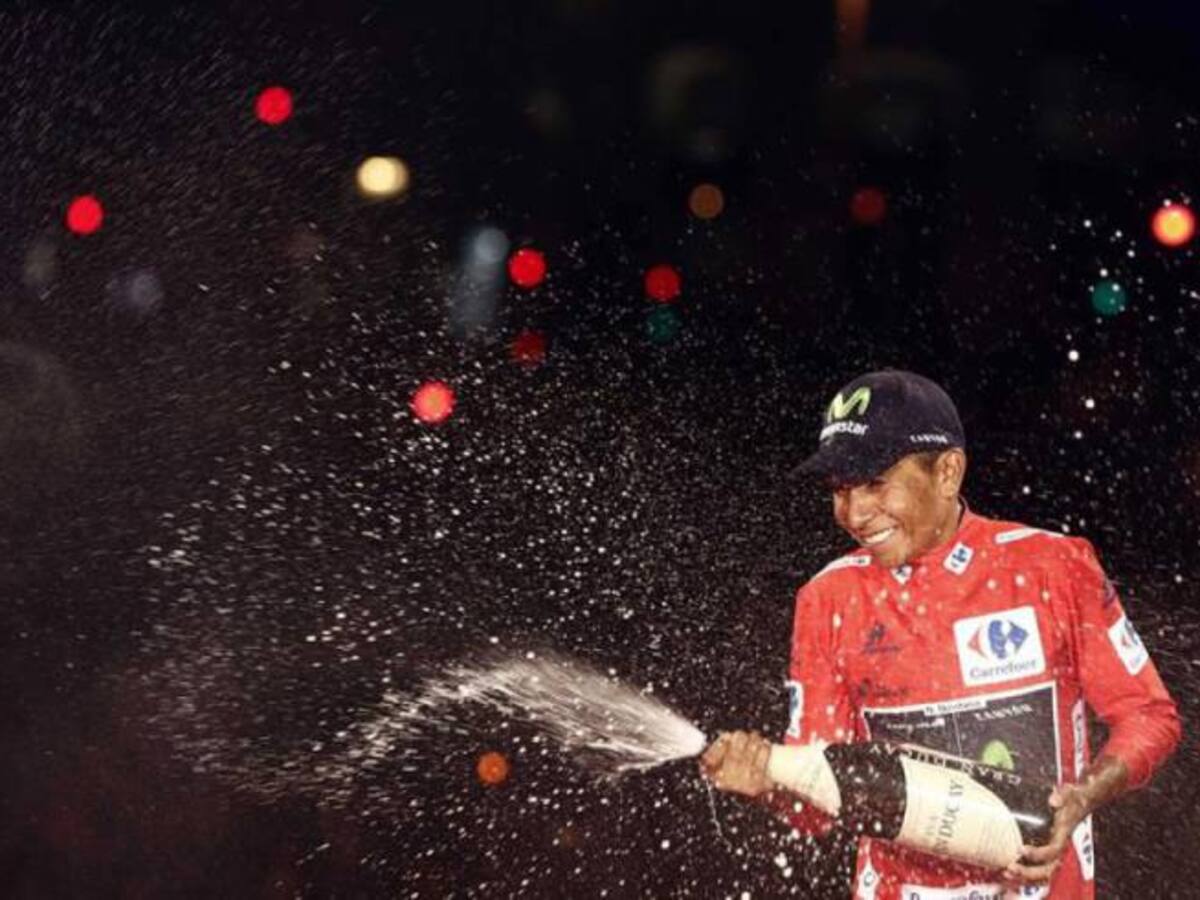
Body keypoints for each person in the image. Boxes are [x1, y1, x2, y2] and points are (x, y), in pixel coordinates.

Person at [700, 369, 1181, 899]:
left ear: (948, 471)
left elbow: (1148, 716)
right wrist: (766, 782)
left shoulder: (1054, 565)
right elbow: (821, 801)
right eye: (840, 490)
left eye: (875, 482)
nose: (854, 513)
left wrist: (1081, 799)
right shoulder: (827, 599)